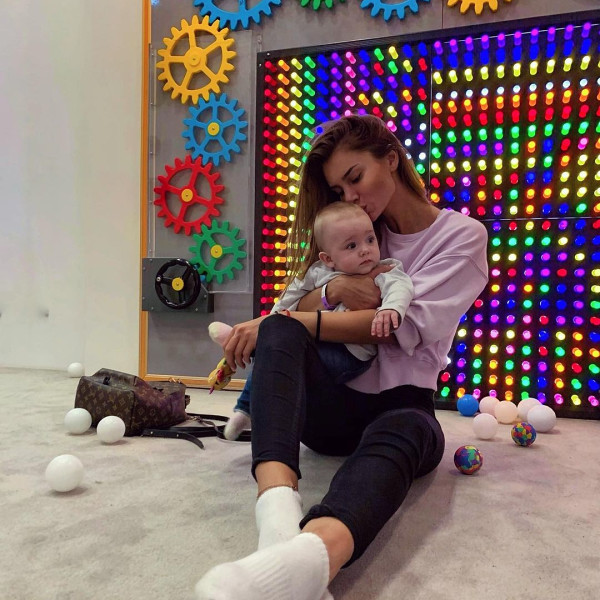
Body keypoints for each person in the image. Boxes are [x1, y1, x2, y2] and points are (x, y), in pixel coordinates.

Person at [194, 114, 489, 600]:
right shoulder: (353, 231)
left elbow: (400, 328)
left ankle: (311, 560)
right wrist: (331, 292)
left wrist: (299, 317)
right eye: (339, 190)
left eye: (355, 178)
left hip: (403, 405)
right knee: (281, 328)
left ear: (390, 159)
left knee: (408, 430)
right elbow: (306, 294)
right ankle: (277, 518)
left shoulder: (461, 236)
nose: (351, 197)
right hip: (330, 409)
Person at [210, 200, 414, 441]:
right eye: (351, 245)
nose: (365, 250)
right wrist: (270, 326)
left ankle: (246, 364)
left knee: (286, 357)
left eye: (370, 240)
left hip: (349, 354)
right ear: (328, 258)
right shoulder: (318, 272)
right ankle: (245, 409)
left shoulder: (384, 270)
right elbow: (289, 297)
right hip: (318, 340)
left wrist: (391, 309)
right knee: (276, 348)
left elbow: (401, 287)